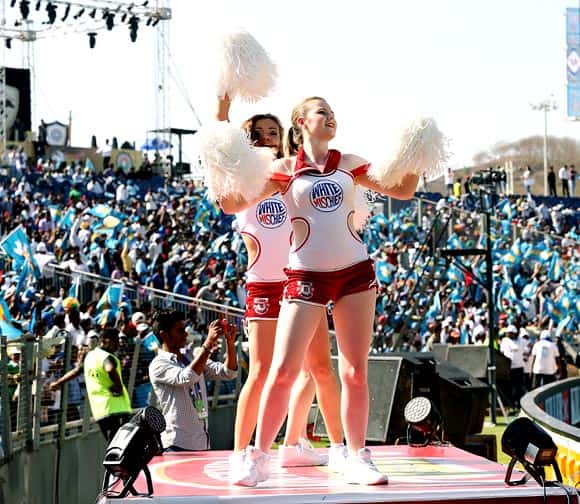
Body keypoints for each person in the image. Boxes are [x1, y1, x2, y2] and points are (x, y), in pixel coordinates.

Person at [220, 96, 419, 486]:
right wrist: (219, 160)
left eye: (332, 112)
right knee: (282, 370)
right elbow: (231, 204)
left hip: (355, 274)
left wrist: (416, 150)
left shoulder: (349, 162)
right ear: (300, 122)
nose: (331, 117)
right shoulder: (282, 169)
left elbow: (403, 191)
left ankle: (358, 455)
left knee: (354, 372)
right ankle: (259, 457)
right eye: (321, 112)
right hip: (305, 276)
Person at [215, 99, 344, 483]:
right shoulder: (243, 179)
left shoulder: (292, 173)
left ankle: (300, 443)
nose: (267, 138)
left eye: (274, 131)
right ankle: (242, 453)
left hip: (300, 279)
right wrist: (222, 105)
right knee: (261, 372)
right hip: (263, 284)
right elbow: (218, 146)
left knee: (317, 368)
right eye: (258, 133)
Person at [148, 311, 238, 451]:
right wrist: (208, 343)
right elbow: (187, 377)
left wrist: (230, 343)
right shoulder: (158, 364)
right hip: (177, 445)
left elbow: (229, 372)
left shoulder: (190, 356)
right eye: (180, 330)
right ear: (164, 335)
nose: (185, 334)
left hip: (202, 443)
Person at [83, 327, 132, 441]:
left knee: (113, 445)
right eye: (115, 341)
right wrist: (119, 387)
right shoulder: (106, 357)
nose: (117, 344)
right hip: (116, 409)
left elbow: (76, 371)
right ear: (104, 340)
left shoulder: (90, 357)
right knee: (122, 445)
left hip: (100, 411)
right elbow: (109, 369)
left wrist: (58, 383)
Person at [499, 324, 524, 411]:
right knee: (510, 388)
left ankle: (518, 405)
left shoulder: (520, 340)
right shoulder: (505, 341)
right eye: (507, 333)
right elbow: (502, 353)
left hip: (519, 367)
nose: (508, 334)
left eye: (510, 333)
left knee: (518, 388)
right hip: (509, 368)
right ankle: (511, 405)